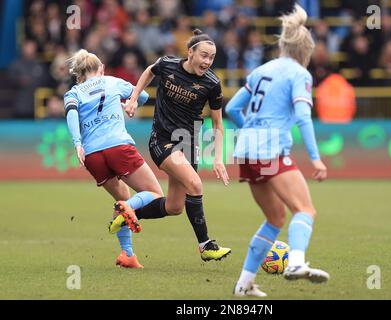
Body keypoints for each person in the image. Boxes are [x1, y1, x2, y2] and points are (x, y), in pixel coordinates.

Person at [225, 5, 329, 297]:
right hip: (269, 148)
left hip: (246, 150)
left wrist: (250, 130)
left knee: (275, 219)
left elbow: (232, 108)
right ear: (305, 51)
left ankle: (244, 284)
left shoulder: (261, 70)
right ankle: (296, 263)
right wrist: (316, 158)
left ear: (283, 45)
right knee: (305, 209)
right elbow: (303, 117)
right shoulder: (299, 74)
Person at [115, 29, 231, 262]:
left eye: (212, 57)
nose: (207, 62)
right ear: (190, 53)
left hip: (188, 144)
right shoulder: (167, 65)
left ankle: (128, 214)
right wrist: (134, 98)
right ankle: (206, 245)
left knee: (174, 206)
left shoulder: (212, 83)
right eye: (204, 55)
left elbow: (217, 123)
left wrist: (218, 158)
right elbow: (149, 71)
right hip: (163, 140)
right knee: (195, 184)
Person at [64, 49, 164, 268]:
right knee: (155, 193)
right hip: (117, 146)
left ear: (80, 75)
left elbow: (71, 114)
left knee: (121, 201)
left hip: (92, 155)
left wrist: (77, 143)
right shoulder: (112, 82)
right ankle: (129, 208)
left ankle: (127, 254)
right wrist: (130, 102)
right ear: (101, 69)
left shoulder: (73, 92)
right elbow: (144, 96)